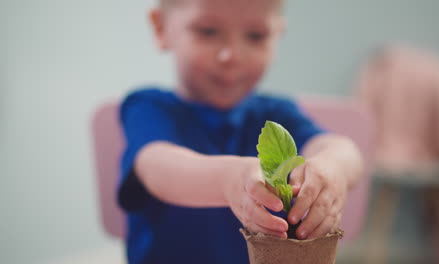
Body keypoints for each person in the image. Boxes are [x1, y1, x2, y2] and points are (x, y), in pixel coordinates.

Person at [118, 0, 363, 263]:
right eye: (208, 31)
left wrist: (332, 167)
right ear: (161, 28)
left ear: (278, 34)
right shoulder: (149, 107)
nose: (231, 55)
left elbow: (342, 150)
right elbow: (157, 166)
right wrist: (228, 180)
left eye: (255, 36)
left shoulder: (277, 114)